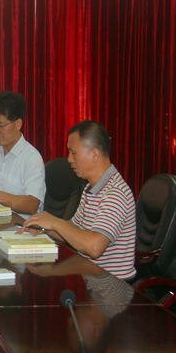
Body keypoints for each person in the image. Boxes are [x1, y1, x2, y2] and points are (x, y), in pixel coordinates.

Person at [18, 120, 136, 280]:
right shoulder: (90, 188)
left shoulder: (115, 193)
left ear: (94, 154)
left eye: (73, 153)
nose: (69, 159)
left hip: (112, 286)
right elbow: (73, 229)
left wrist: (54, 223)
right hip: (88, 277)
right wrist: (43, 229)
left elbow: (94, 247)